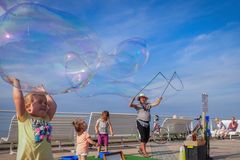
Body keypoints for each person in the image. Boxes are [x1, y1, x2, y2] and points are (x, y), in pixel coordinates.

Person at [8, 77, 57, 160]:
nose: (44, 105)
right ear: (28, 107)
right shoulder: (25, 117)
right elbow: (18, 99)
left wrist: (45, 93)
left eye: (45, 103)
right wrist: (16, 82)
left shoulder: (46, 118)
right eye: (40, 102)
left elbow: (53, 106)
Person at [129, 93, 162, 158]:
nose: (143, 99)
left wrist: (159, 100)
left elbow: (156, 103)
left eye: (144, 98)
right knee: (143, 138)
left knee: (146, 139)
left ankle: (140, 149)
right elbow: (130, 105)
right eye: (141, 98)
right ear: (139, 99)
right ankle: (145, 153)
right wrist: (132, 100)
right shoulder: (138, 105)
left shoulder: (148, 105)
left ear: (145, 99)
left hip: (147, 123)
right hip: (140, 122)